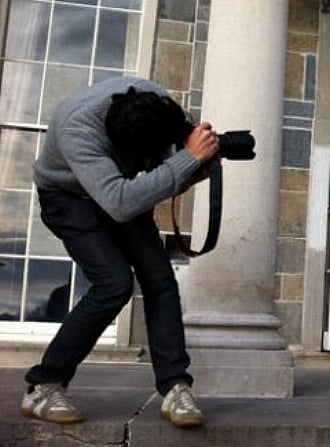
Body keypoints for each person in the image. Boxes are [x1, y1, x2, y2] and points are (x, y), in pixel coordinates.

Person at [21, 76, 220, 427]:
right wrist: (185, 162)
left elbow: (167, 162)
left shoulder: (158, 103)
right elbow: (120, 203)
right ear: (122, 150)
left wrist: (194, 160)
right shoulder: (79, 132)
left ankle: (176, 387)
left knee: (159, 277)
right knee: (114, 283)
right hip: (68, 196)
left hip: (120, 190)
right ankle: (43, 385)